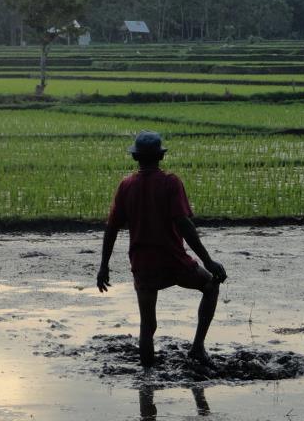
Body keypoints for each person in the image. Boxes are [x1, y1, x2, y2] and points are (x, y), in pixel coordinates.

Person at [96, 131, 227, 367]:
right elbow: (183, 223)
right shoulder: (170, 182)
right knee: (210, 285)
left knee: (147, 325)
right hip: (174, 261)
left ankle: (146, 384)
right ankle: (197, 348)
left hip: (143, 264)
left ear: (135, 158)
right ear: (161, 157)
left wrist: (104, 266)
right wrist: (207, 261)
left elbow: (111, 228)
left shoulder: (126, 185)